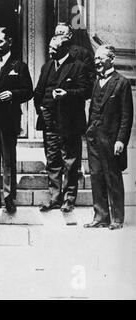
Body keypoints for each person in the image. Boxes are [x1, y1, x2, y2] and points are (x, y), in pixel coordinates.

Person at [34, 35, 90, 213]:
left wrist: (67, 94)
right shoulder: (47, 66)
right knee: (52, 161)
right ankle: (54, 198)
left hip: (70, 123)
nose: (50, 51)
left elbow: (86, 91)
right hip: (49, 122)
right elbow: (39, 91)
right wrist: (40, 108)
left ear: (65, 49)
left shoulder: (78, 67)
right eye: (50, 47)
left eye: (54, 49)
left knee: (71, 162)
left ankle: (69, 199)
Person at [0, 27, 33, 213]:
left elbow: (29, 91)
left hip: (8, 120)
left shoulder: (19, 66)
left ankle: (9, 198)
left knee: (8, 160)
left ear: (9, 42)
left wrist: (13, 94)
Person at [84, 45, 134, 230]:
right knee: (96, 177)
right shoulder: (97, 81)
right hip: (94, 138)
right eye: (95, 59)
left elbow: (127, 116)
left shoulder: (122, 83)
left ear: (111, 60)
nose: (96, 62)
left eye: (100, 58)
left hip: (112, 140)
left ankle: (117, 218)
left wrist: (121, 140)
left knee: (113, 177)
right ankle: (101, 216)